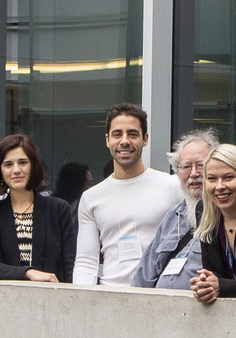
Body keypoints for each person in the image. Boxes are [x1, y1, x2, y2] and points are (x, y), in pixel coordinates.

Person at [73, 104, 184, 286]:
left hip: (158, 296)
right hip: (110, 296)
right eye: (117, 134)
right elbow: (86, 261)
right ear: (107, 140)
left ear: (145, 139)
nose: (124, 141)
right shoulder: (91, 198)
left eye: (132, 134)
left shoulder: (172, 186)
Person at [130, 127, 223, 287]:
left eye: (201, 165)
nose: (194, 174)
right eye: (186, 167)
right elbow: (144, 275)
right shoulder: (172, 216)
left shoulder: (227, 216)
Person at [0, 134, 76, 282]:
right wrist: (27, 273)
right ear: (0, 171)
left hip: (53, 298)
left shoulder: (58, 209)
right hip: (6, 300)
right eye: (8, 164)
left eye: (22, 162)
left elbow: (70, 264)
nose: (16, 170)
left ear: (33, 165)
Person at [186, 144, 236, 305]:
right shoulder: (203, 211)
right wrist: (205, 286)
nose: (219, 186)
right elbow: (212, 275)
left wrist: (223, 287)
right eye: (212, 179)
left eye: (228, 177)